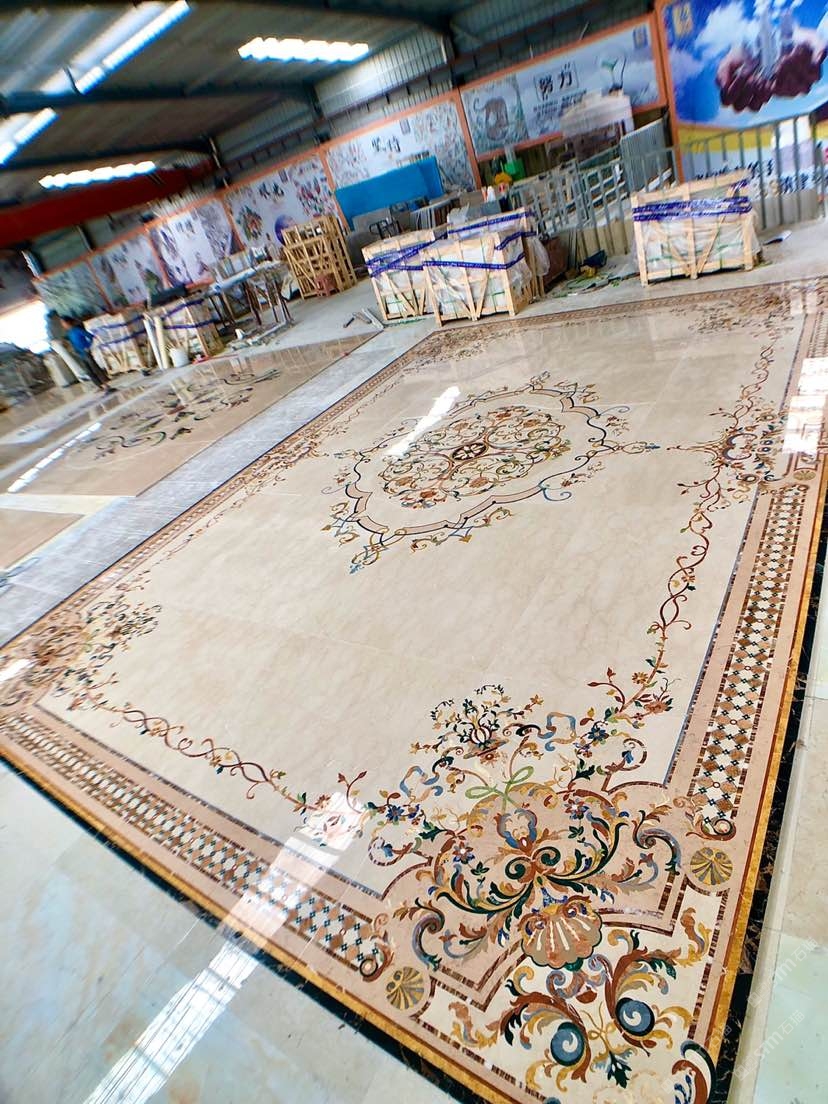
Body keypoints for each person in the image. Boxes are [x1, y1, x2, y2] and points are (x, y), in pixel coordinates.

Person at [62, 317, 112, 392]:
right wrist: (74, 350)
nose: (63, 325)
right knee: (89, 371)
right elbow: (73, 343)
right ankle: (99, 385)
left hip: (86, 352)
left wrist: (88, 346)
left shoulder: (77, 330)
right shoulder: (69, 333)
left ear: (68, 322)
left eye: (63, 323)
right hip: (80, 354)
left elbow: (91, 336)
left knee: (95, 368)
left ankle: (106, 384)